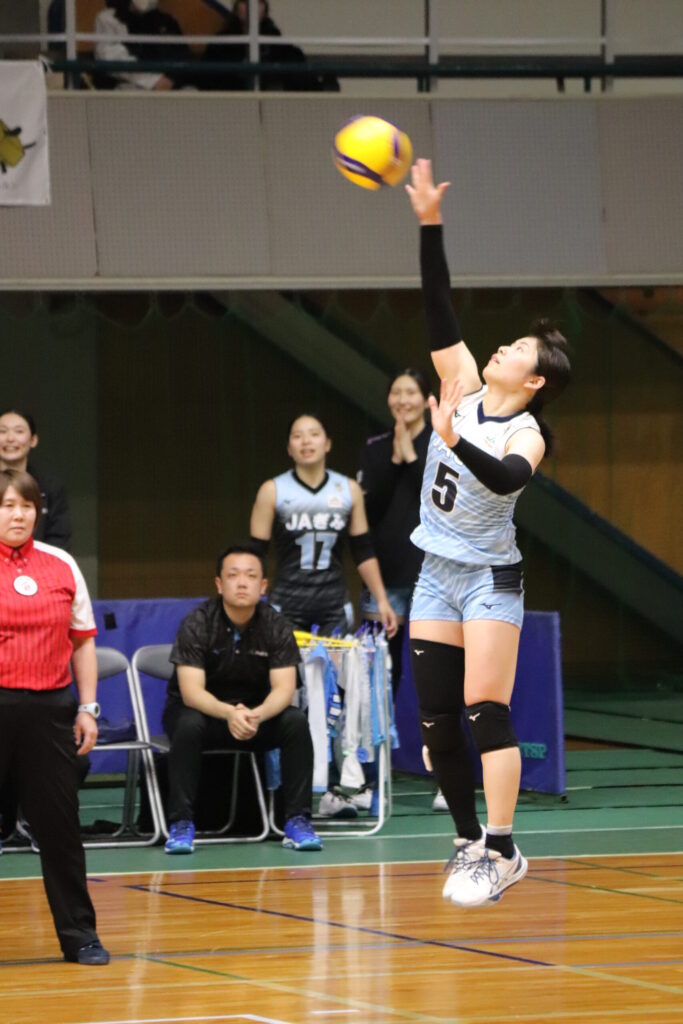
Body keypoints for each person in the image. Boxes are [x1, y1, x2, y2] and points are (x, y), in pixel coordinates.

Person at [405, 158, 571, 906]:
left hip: (487, 578)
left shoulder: (526, 432)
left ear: (534, 381)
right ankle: (467, 841)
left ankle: (503, 851)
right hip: (434, 569)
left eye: (518, 353)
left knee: (484, 711)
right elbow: (437, 305)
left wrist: (452, 439)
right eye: (505, 344)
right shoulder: (463, 385)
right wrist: (429, 223)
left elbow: (505, 480)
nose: (502, 349)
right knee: (436, 719)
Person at [250, 413, 398, 818]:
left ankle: (345, 788)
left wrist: (382, 600)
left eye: (314, 434)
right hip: (285, 607)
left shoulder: (347, 489)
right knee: (289, 697)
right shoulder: (272, 491)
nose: (306, 441)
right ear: (289, 447)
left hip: (333, 606)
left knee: (342, 697)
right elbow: (254, 556)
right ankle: (284, 793)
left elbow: (363, 550)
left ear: (327, 443)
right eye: (297, 436)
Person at [0, 469, 109, 964]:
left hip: (50, 712)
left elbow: (83, 642)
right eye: (7, 505)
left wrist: (87, 707)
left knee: (61, 829)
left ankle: (80, 935)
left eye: (26, 506)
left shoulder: (61, 563)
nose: (18, 514)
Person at [162, 543, 322, 853]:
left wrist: (256, 715)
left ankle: (298, 821)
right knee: (187, 724)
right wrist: (229, 713)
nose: (242, 583)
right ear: (219, 584)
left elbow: (284, 689)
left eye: (251, 576)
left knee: (295, 722)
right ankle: (181, 824)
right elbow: (191, 693)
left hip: (255, 717)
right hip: (205, 715)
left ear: (263, 586)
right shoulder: (196, 623)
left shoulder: (276, 625)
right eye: (233, 575)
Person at [0, 409, 71, 551]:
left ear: (33, 440)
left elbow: (59, 538)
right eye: (2, 431)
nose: (10, 438)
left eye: (19, 431)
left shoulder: (50, 486)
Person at [93, 0, 194, 91]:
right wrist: (153, 81)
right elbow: (111, 59)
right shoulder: (108, 19)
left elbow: (182, 56)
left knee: (190, 92)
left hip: (168, 86)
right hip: (130, 85)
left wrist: (171, 80)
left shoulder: (166, 21)